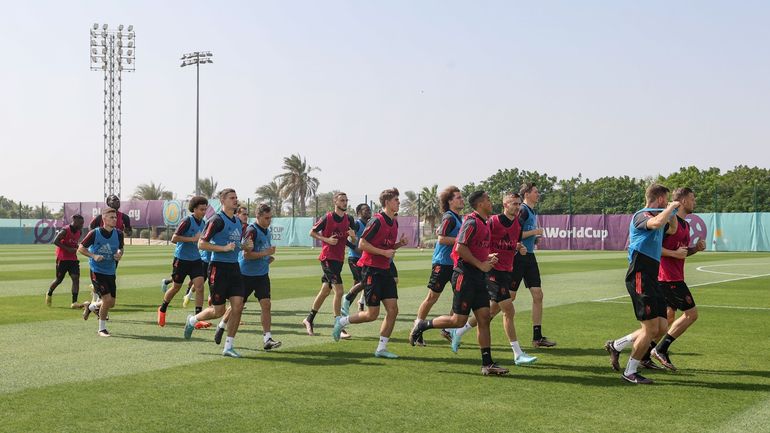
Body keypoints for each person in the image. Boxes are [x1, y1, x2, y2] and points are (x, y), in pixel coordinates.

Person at [410, 191, 509, 376]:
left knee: (484, 319)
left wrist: (486, 257)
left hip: (478, 276)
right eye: (488, 199)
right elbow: (459, 248)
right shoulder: (471, 222)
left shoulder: (483, 222)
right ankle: (423, 325)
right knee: (458, 321)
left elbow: (473, 248)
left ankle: (487, 364)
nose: (491, 202)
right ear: (480, 204)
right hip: (465, 276)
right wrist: (481, 263)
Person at [448, 193, 538, 365]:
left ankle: (458, 332)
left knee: (489, 312)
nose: (517, 207)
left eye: (519, 204)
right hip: (491, 271)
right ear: (505, 204)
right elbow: (479, 242)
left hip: (506, 270)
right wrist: (486, 257)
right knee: (509, 310)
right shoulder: (492, 222)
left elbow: (513, 244)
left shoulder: (518, 224)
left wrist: (519, 248)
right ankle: (517, 354)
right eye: (514, 203)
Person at [604, 184, 679, 384]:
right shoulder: (641, 215)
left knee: (661, 326)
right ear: (661, 199)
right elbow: (654, 224)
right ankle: (630, 372)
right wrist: (670, 209)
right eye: (667, 198)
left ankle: (616, 345)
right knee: (649, 329)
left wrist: (671, 214)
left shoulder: (660, 216)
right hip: (639, 274)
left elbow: (671, 228)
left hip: (652, 277)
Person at [332, 188, 408, 358]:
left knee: (393, 310)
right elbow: (362, 244)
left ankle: (381, 349)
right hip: (371, 269)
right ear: (387, 202)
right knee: (372, 315)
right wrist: (384, 253)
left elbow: (386, 247)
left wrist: (398, 244)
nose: (399, 202)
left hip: (385, 270)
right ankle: (341, 322)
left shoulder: (394, 222)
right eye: (396, 199)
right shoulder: (376, 221)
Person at [183, 189, 252, 358]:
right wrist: (223, 248)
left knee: (238, 306)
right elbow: (201, 244)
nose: (235, 200)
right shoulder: (216, 220)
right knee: (218, 311)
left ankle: (228, 347)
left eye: (236, 197)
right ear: (222, 200)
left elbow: (235, 244)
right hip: (218, 268)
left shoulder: (237, 221)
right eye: (231, 198)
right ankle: (192, 320)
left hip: (234, 268)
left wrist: (245, 246)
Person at [651, 187, 706, 370]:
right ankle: (661, 349)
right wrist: (675, 254)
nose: (694, 201)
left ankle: (643, 353)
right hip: (667, 278)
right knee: (691, 314)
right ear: (682, 201)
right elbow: (655, 249)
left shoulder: (686, 225)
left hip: (673, 277)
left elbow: (681, 253)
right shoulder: (669, 224)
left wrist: (695, 249)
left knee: (667, 317)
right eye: (692, 198)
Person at [214, 204, 281, 351]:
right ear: (258, 217)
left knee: (266, 304)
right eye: (266, 218)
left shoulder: (267, 231)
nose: (269, 221)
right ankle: (221, 325)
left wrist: (267, 257)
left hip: (262, 275)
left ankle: (267, 338)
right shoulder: (252, 231)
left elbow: (263, 251)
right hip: (245, 275)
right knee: (236, 307)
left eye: (270, 218)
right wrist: (265, 254)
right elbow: (246, 254)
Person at [413, 186, 464, 346]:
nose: (461, 200)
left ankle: (448, 329)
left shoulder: (457, 217)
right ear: (449, 201)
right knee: (432, 297)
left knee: (460, 297)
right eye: (458, 197)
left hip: (454, 264)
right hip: (442, 263)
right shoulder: (449, 217)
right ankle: (417, 328)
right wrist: (461, 240)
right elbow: (441, 239)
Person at [302, 192, 356, 337]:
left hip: (339, 260)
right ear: (335, 202)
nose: (345, 203)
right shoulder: (327, 217)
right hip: (327, 258)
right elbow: (312, 232)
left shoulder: (349, 219)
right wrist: (325, 239)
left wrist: (353, 237)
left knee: (325, 291)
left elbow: (352, 241)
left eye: (346, 200)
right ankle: (339, 325)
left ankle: (309, 319)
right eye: (342, 200)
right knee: (339, 291)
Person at [511, 182, 556, 348]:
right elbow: (515, 235)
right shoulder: (522, 210)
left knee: (538, 295)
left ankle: (537, 338)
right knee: (508, 299)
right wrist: (535, 232)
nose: (538, 194)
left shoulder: (531, 211)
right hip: (518, 257)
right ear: (527, 194)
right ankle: (472, 323)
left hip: (529, 257)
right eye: (536, 192)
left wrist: (533, 237)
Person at [157, 197, 209, 327]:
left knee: (200, 287)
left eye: (205, 209)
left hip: (196, 259)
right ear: (195, 209)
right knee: (176, 287)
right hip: (181, 259)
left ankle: (197, 318)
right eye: (201, 209)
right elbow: (174, 238)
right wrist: (192, 239)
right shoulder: (186, 221)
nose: (204, 212)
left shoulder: (203, 223)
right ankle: (162, 308)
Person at [79, 207, 124, 337]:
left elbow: (120, 249)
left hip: (110, 270)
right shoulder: (95, 233)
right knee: (106, 300)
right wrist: (93, 256)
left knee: (112, 303)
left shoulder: (119, 234)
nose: (114, 219)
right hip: (97, 271)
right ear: (104, 219)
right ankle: (101, 329)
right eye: (111, 217)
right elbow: (81, 248)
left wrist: (119, 254)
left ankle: (91, 307)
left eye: (115, 217)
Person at [46, 215, 85, 308]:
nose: (82, 225)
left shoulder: (79, 232)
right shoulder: (65, 230)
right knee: (59, 280)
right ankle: (49, 292)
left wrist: (76, 247)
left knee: (75, 278)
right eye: (80, 223)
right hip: (62, 259)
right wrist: (68, 249)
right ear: (74, 221)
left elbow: (74, 242)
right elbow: (55, 241)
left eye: (82, 223)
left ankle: (74, 302)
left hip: (73, 259)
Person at [341, 203, 372, 316]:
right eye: (365, 210)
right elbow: (345, 238)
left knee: (357, 284)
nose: (368, 211)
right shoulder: (357, 224)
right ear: (359, 212)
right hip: (354, 258)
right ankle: (350, 300)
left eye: (369, 209)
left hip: (364, 259)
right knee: (363, 282)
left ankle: (346, 307)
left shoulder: (370, 224)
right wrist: (355, 247)